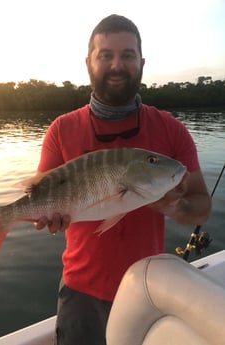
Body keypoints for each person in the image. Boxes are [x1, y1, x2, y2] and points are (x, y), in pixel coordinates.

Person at [34, 14, 211, 345]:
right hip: (81, 292)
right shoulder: (61, 129)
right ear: (89, 62)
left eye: (127, 55)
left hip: (150, 288)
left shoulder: (171, 130)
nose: (117, 65)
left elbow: (201, 207)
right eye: (106, 55)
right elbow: (41, 196)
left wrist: (174, 206)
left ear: (141, 62)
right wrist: (46, 218)